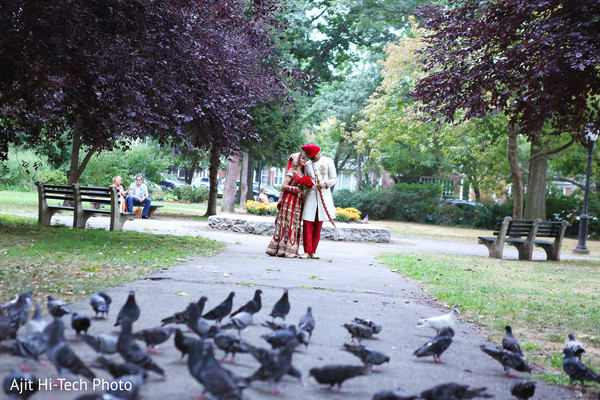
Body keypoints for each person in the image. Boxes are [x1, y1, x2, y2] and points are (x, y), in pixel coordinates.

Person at [266, 152, 307, 258]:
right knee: (287, 222)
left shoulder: (302, 174)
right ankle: (281, 249)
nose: (304, 160)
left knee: (295, 223)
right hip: (289, 201)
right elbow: (284, 186)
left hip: (297, 201)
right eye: (302, 158)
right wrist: (297, 189)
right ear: (297, 160)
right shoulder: (291, 171)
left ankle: (292, 249)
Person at [299, 143, 337, 259]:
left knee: (318, 225)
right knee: (307, 223)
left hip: (323, 197)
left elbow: (334, 178)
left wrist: (326, 184)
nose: (307, 156)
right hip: (310, 196)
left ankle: (313, 251)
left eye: (308, 154)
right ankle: (307, 251)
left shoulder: (328, 161)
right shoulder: (307, 165)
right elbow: (305, 177)